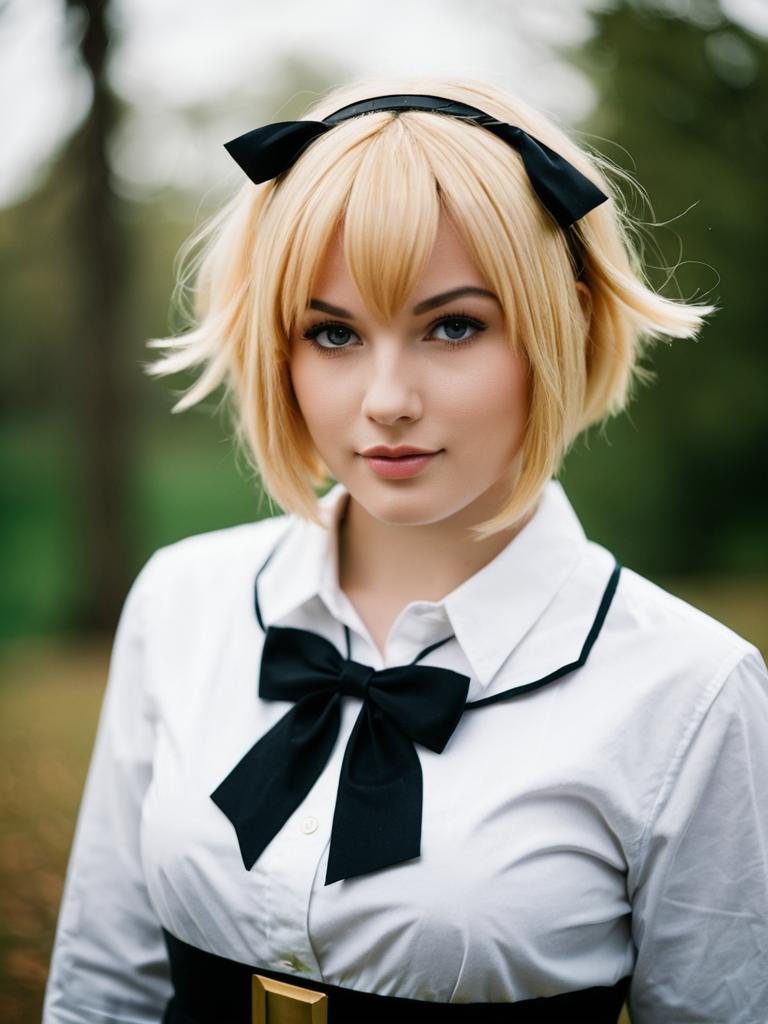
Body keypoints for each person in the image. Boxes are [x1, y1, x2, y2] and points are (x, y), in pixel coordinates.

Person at [43, 78, 768, 1024]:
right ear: (281, 349)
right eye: (333, 332)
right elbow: (104, 986)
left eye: (453, 325)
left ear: (560, 324)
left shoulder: (690, 691)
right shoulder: (183, 600)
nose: (386, 398)